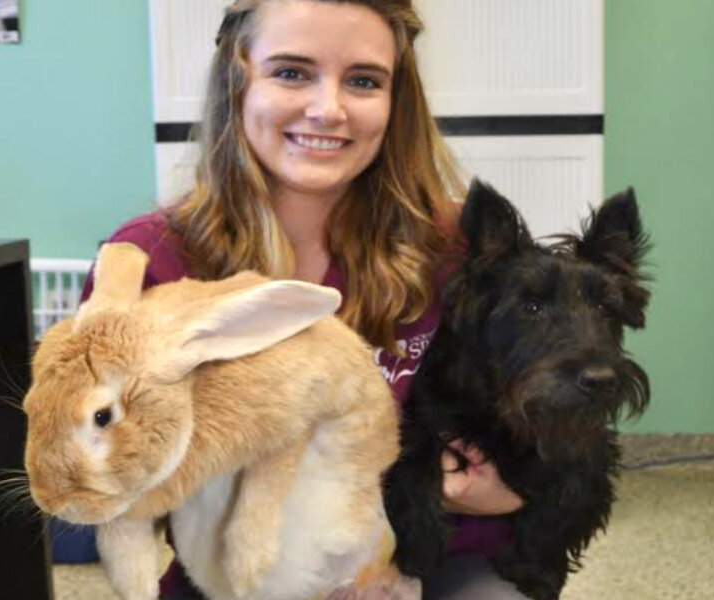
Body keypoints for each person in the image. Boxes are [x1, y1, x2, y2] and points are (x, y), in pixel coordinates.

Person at [81, 1, 529, 598]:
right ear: (238, 76)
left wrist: (519, 488)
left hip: (433, 558)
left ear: (398, 102)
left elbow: (553, 403)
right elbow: (93, 473)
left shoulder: (457, 247)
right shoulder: (149, 262)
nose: (328, 110)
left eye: (364, 81)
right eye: (291, 73)